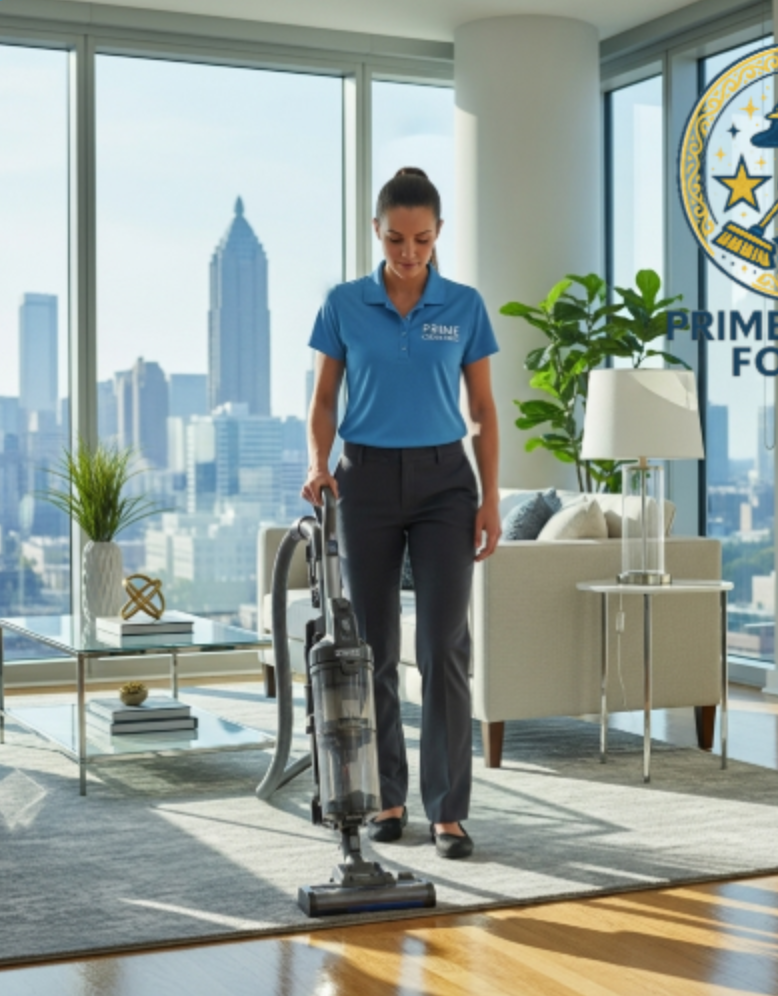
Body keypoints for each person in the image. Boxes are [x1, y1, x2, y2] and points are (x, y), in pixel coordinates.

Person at [302, 167, 501, 860]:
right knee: (374, 647)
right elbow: (325, 397)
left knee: (444, 646)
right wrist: (318, 463)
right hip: (365, 480)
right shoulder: (344, 303)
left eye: (421, 239)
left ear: (439, 232)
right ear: (377, 231)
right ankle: (388, 797)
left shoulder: (465, 305)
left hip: (449, 482)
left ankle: (448, 811)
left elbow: (483, 411)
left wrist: (491, 499)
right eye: (395, 238)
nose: (408, 252)